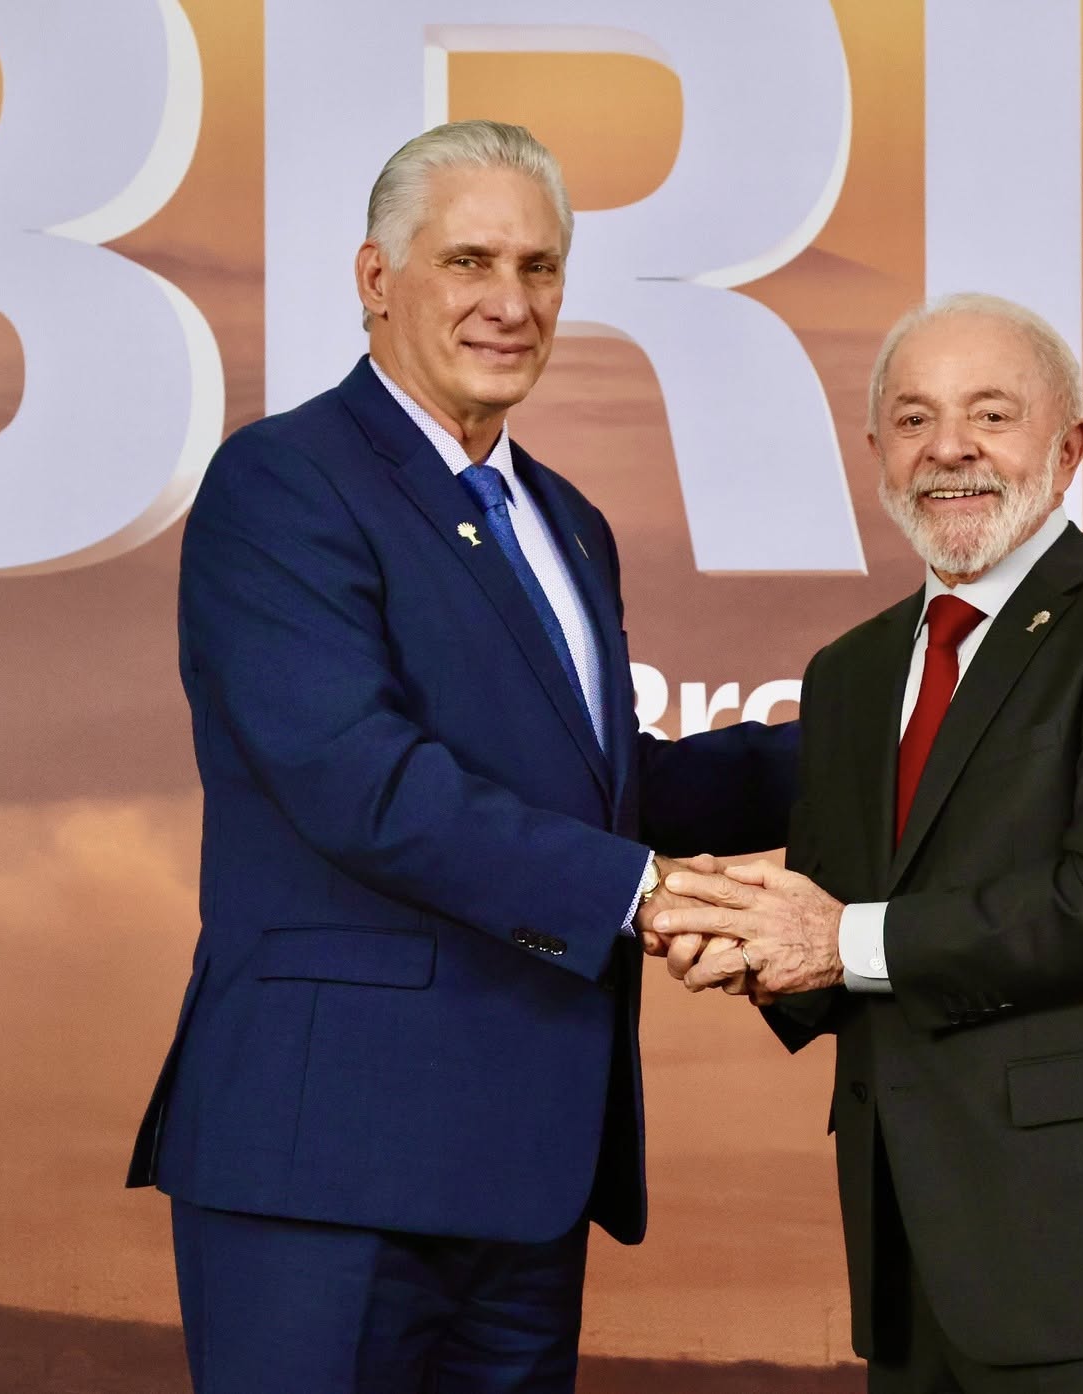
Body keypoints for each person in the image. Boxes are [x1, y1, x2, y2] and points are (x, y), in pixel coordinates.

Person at [126, 120, 794, 1394]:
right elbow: (358, 780)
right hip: (324, 1170)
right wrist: (640, 893)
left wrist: (872, 745)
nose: (509, 303)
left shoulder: (566, 521)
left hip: (521, 1177)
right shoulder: (282, 484)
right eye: (469, 261)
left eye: (539, 269)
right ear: (377, 279)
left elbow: (592, 791)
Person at [654, 294, 1083, 1392]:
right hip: (913, 1272)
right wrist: (747, 951)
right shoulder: (852, 671)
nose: (947, 447)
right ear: (875, 456)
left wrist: (833, 939)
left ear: (1067, 451)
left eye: (989, 414)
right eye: (911, 420)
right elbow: (843, 934)